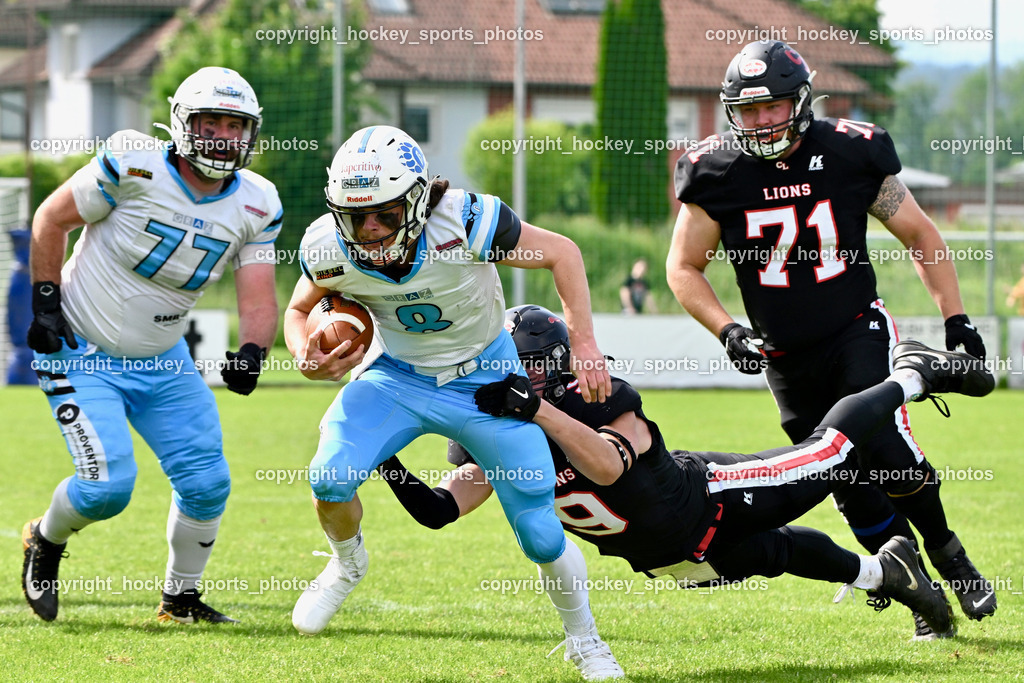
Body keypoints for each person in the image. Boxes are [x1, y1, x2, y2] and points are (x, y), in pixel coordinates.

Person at [378, 305, 997, 639]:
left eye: (537, 367)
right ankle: (891, 572)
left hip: (709, 500)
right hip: (665, 553)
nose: (527, 378)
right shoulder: (495, 437)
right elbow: (438, 511)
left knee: (830, 451)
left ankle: (915, 373)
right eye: (518, 367)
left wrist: (537, 409)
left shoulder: (593, 395)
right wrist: (384, 458)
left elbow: (607, 464)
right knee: (779, 555)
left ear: (561, 364)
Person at [664, 40, 994, 639]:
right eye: (747, 109)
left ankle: (950, 554)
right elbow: (683, 267)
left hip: (854, 330)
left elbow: (919, 233)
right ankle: (917, 591)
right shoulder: (715, 170)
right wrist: (727, 327)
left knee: (887, 451)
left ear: (802, 99)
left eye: (773, 106)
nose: (760, 121)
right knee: (841, 475)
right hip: (783, 355)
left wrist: (956, 319)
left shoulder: (850, 150)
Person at [284, 126, 622, 680]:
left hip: (485, 380)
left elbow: (563, 252)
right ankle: (346, 566)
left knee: (539, 532)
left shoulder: (466, 220)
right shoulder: (326, 244)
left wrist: (584, 343)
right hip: (398, 376)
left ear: (416, 200)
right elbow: (299, 311)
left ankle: (584, 638)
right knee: (330, 476)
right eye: (355, 216)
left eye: (385, 214)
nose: (368, 230)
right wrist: (303, 354)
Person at [21, 66, 282, 624]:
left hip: (164, 362)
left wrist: (255, 350)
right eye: (209, 121)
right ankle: (44, 539)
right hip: (82, 351)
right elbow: (50, 219)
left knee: (208, 483)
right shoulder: (134, 162)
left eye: (233, 125)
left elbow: (258, 295)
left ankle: (180, 600)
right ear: (181, 123)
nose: (220, 135)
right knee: (106, 490)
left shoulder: (258, 202)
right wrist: (45, 303)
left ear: (250, 132)